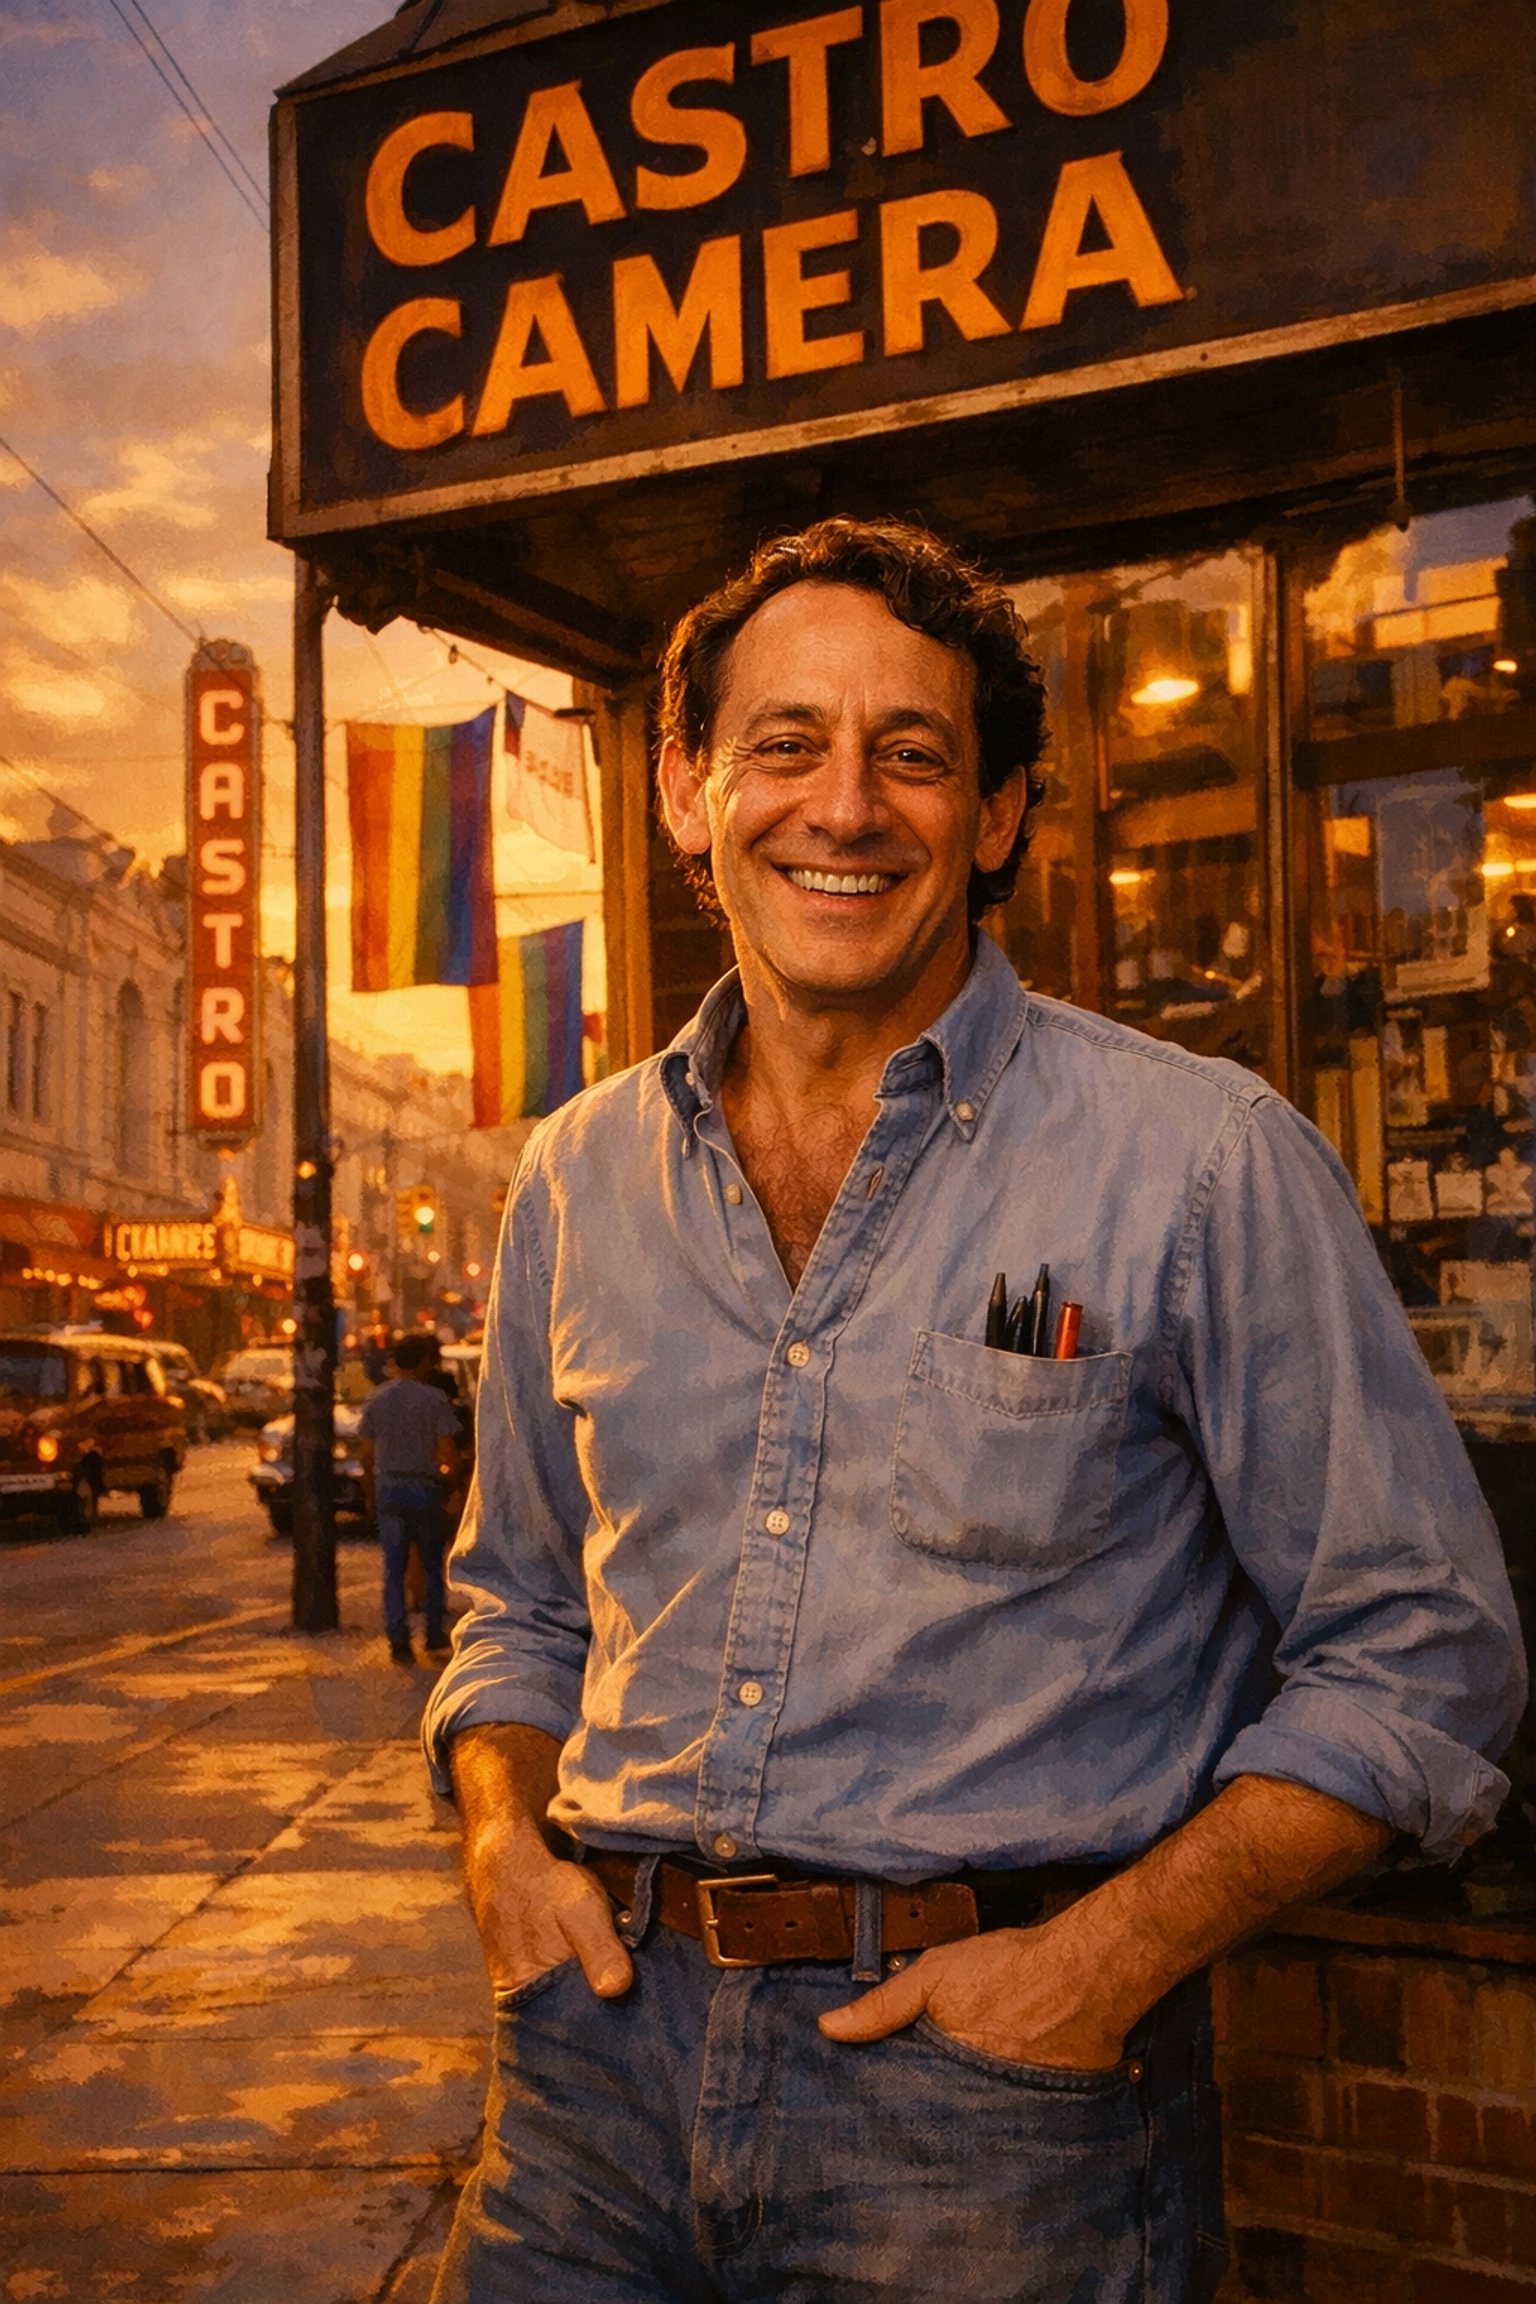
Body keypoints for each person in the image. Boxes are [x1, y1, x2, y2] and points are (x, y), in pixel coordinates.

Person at [422, 519, 1525, 2302]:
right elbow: (521, 1604)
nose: (843, 805)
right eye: (784, 744)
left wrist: (1088, 1966)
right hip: (591, 2083)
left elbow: (1427, 1655)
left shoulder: (1197, 1161)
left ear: (997, 814)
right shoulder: (575, 1172)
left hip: (991, 2108)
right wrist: (500, 1837)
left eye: (910, 754)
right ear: (688, 797)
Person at [358, 1331, 461, 1665]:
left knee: (394, 1567)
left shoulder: (376, 1399)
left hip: (389, 1486)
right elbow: (447, 1450)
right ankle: (433, 1631)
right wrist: (450, 1482)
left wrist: (371, 1491)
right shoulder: (435, 1400)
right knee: (431, 1564)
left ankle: (398, 1637)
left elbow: (366, 1452)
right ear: (422, 1363)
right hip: (425, 1487)